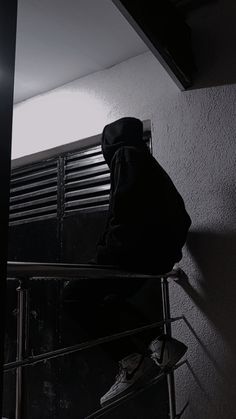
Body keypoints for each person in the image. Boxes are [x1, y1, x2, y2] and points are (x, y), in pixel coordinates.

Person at [63, 117, 191, 406]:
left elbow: (124, 211)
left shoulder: (126, 155)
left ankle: (132, 362)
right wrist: (168, 253)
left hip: (134, 255)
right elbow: (181, 218)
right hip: (152, 259)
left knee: (72, 295)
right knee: (108, 300)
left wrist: (105, 256)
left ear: (109, 143)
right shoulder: (146, 161)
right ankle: (160, 343)